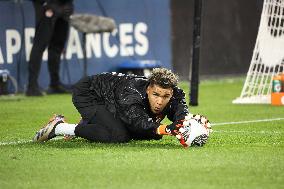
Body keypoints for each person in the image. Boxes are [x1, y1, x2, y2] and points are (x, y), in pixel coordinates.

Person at [33, 68, 211, 147]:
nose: (160, 101)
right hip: (89, 93)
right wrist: (167, 128)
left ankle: (93, 121)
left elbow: (180, 109)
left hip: (112, 101)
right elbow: (136, 121)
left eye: (166, 96)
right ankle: (59, 127)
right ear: (148, 88)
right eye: (156, 95)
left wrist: (188, 122)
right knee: (119, 135)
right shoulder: (131, 93)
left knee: (148, 135)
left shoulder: (175, 93)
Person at [26, 0, 74, 96]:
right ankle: (32, 86)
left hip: (63, 8)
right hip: (47, 6)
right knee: (39, 45)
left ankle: (54, 84)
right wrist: (46, 4)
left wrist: (69, 4)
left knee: (57, 46)